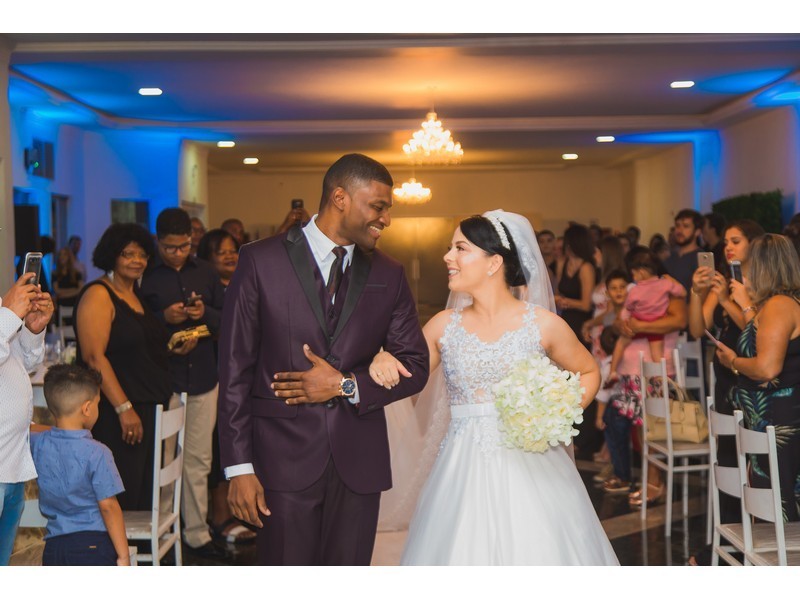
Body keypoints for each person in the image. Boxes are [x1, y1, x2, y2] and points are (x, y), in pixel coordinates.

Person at [217, 153, 430, 566]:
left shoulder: (389, 272)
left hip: (359, 462)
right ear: (340, 198)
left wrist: (346, 385)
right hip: (280, 459)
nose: (386, 219)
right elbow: (234, 369)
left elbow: (416, 366)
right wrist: (239, 467)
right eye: (378, 207)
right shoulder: (260, 260)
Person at [369, 211, 616, 565]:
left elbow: (589, 371)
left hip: (533, 467)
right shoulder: (443, 326)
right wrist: (382, 357)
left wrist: (556, 414)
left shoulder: (543, 325)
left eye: (460, 248)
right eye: (450, 248)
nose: (448, 257)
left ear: (494, 262)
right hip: (461, 470)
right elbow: (405, 376)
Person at [74, 223, 195, 514]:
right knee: (121, 499)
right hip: (117, 413)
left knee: (142, 498)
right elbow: (94, 358)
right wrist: (124, 408)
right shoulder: (98, 294)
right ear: (112, 255)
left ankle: (135, 546)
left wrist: (172, 348)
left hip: (146, 407)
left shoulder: (133, 292)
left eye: (142, 254)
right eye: (128, 254)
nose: (137, 260)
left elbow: (132, 348)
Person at [140, 207, 227, 560]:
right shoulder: (146, 275)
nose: (178, 253)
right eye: (170, 247)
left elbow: (229, 318)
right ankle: (162, 530)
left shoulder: (205, 271)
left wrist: (204, 313)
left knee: (199, 460)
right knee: (163, 461)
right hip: (165, 381)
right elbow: (135, 326)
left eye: (184, 246)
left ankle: (196, 532)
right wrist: (164, 318)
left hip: (204, 375)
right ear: (158, 241)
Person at [686, 218, 764, 565]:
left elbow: (758, 332)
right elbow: (696, 327)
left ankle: (755, 541)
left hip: (750, 382)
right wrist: (697, 293)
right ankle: (730, 539)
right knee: (729, 462)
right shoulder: (725, 283)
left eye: (736, 241)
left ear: (754, 244)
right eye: (727, 241)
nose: (728, 247)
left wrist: (728, 300)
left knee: (754, 465)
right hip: (725, 380)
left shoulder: (762, 285)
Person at [715, 233, 800, 522]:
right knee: (774, 498)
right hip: (772, 418)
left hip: (779, 420)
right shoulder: (777, 304)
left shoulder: (779, 305)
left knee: (779, 499)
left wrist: (733, 362)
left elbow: (767, 368)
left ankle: (783, 552)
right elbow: (761, 339)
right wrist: (746, 306)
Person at [31, 364, 129, 566]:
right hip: (93, 546)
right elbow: (109, 507)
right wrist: (124, 556)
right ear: (87, 408)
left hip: (54, 548)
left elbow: (24, 429)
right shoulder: (98, 452)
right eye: (98, 404)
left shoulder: (38, 443)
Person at [195, 228, 254, 546]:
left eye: (233, 250)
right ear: (207, 258)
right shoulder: (206, 289)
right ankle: (220, 516)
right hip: (214, 374)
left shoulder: (246, 281)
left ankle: (244, 510)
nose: (230, 256)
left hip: (248, 373)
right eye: (222, 252)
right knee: (220, 447)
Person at [0, 273, 52, 565]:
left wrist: (33, 329)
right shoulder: (5, 308)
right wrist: (8, 314)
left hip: (11, 463)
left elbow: (25, 363)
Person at [608, 248, 685, 383]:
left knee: (624, 344)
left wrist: (639, 325)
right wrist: (621, 325)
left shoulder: (641, 290)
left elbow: (679, 321)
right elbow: (618, 321)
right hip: (630, 368)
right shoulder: (665, 285)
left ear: (641, 272)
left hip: (652, 372)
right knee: (655, 353)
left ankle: (612, 371)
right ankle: (614, 372)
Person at [555, 223, 600, 457]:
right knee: (564, 377)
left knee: (580, 375)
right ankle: (567, 428)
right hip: (565, 322)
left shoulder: (586, 267)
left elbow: (585, 303)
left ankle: (585, 435)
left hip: (581, 324)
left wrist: (565, 301)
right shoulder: (563, 263)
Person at [662, 209, 704, 295]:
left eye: (686, 226)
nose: (680, 230)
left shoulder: (701, 259)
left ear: (697, 232)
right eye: (677, 226)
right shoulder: (670, 256)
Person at [52, 246, 84, 311]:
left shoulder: (77, 274)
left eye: (64, 254)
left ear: (69, 257)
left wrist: (63, 295)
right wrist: (74, 290)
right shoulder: (55, 274)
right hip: (61, 305)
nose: (62, 257)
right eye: (60, 254)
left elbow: (81, 289)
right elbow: (57, 291)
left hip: (75, 305)